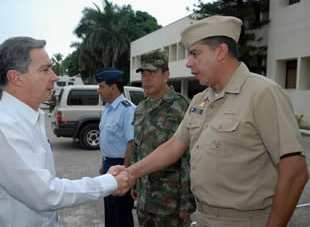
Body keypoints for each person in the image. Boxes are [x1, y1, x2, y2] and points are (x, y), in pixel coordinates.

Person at [110, 15, 309, 227]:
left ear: (221, 52)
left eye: (195, 54)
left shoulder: (262, 93)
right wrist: (130, 172)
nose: (188, 63)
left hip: (245, 220)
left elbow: (295, 172)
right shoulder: (200, 99)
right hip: (204, 217)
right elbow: (173, 146)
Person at [0, 37, 134, 227]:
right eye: (45, 69)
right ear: (16, 77)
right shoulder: (0, 126)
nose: (54, 76)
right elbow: (45, 194)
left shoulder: (26, 119)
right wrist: (109, 182)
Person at [128, 52, 195, 226]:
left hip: (170, 202)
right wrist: (134, 183)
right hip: (144, 198)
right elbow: (136, 146)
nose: (146, 79)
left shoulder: (181, 106)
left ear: (166, 75)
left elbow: (189, 156)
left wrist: (187, 200)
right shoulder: (141, 108)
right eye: (143, 74)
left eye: (152, 73)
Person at [96, 67, 135, 227]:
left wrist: (126, 171)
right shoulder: (108, 108)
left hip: (120, 165)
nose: (98, 91)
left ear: (113, 87)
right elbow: (108, 139)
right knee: (110, 210)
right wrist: (103, 163)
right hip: (108, 164)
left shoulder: (128, 109)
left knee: (121, 213)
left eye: (101, 86)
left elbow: (131, 143)